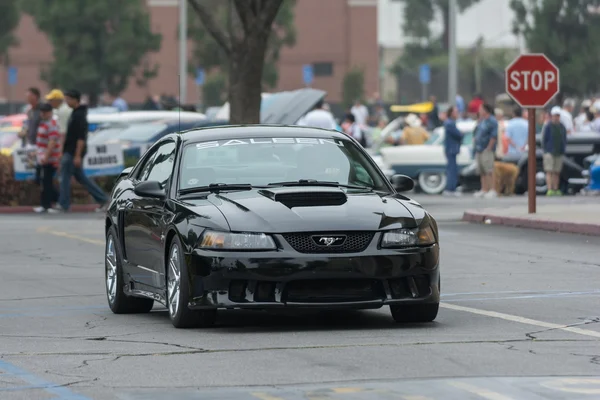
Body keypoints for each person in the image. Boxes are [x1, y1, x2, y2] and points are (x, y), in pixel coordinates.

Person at [55, 90, 108, 212]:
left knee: (64, 177)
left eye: (68, 99)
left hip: (73, 152)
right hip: (70, 151)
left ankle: (63, 204)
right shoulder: (75, 113)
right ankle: (103, 199)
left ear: (75, 99)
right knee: (81, 178)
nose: (66, 102)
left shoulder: (80, 115)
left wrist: (78, 155)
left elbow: (81, 138)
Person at [33, 103, 61, 213]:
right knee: (41, 180)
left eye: (45, 112)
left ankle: (47, 205)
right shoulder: (43, 123)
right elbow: (41, 142)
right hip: (41, 157)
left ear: (50, 112)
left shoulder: (52, 124)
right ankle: (57, 199)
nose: (43, 114)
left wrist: (46, 156)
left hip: (49, 158)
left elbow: (52, 142)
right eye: (41, 112)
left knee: (46, 182)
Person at [473, 103, 498, 198]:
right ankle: (484, 189)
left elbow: (493, 135)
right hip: (479, 148)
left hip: (486, 149)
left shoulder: (492, 121)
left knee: (489, 170)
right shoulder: (482, 120)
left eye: (481, 109)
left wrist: (489, 147)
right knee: (482, 170)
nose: (479, 110)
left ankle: (492, 189)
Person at [542, 107, 568, 196]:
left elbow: (564, 138)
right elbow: (544, 139)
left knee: (557, 171)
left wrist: (563, 149)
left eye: (558, 115)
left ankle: (556, 188)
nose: (556, 117)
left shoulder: (562, 126)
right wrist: (545, 150)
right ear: (552, 116)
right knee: (549, 171)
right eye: (555, 115)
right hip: (549, 151)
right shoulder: (548, 126)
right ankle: (549, 189)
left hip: (559, 152)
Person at [443, 106, 463, 196]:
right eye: (455, 112)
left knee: (452, 169)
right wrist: (461, 134)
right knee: (452, 169)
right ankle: (451, 189)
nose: (457, 113)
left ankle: (451, 188)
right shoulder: (450, 123)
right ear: (451, 113)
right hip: (451, 149)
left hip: (451, 149)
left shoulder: (449, 122)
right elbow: (458, 134)